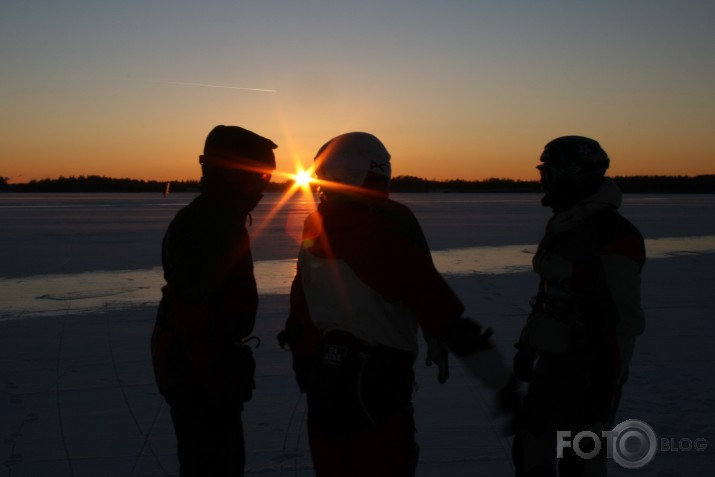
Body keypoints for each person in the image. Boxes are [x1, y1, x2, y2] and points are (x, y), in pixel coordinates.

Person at [278, 132, 518, 477]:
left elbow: (301, 311)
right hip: (374, 387)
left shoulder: (318, 227)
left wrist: (306, 366)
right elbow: (442, 311)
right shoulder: (373, 234)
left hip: (326, 383)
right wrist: (501, 379)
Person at [512, 136, 646, 476]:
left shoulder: (613, 234)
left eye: (548, 172)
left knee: (580, 459)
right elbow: (551, 294)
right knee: (531, 446)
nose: (541, 180)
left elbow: (624, 321)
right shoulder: (565, 224)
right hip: (553, 360)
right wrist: (528, 347)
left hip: (591, 366)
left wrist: (605, 386)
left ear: (571, 175)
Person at [150, 125, 277, 476]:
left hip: (198, 370)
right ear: (231, 173)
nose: (265, 186)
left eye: (268, 176)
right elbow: (192, 312)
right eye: (260, 175)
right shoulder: (209, 225)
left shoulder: (220, 218)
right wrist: (216, 378)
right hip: (196, 376)